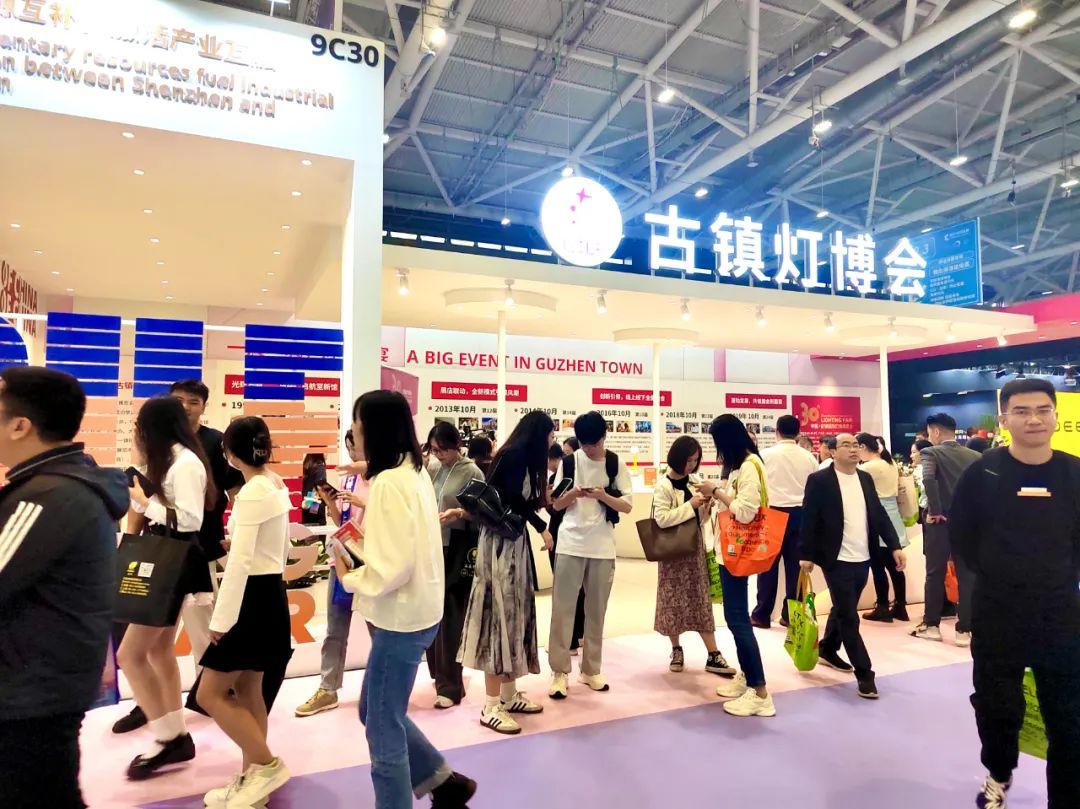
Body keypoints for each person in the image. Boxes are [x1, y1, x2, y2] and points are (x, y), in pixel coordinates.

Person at [334, 391, 476, 808]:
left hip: (401, 617)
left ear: (373, 430)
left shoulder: (391, 483)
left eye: (357, 426)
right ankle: (442, 781)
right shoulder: (412, 472)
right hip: (417, 610)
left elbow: (391, 567)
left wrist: (349, 576)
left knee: (382, 727)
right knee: (376, 712)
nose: (353, 434)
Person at [0, 368, 128, 808]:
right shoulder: (59, 485)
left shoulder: (47, 495)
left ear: (20, 425)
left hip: (30, 692)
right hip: (39, 685)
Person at [950, 379, 1080, 809]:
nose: (1034, 419)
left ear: (1056, 416)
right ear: (1004, 419)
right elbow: (963, 537)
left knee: (1069, 717)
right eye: (1022, 411)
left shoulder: (1075, 472)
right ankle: (999, 772)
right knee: (996, 706)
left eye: (1043, 410)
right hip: (998, 610)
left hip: (1062, 614)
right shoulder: (983, 473)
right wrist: (1001, 573)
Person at [198, 417, 292, 807]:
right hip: (270, 594)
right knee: (250, 688)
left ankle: (265, 766)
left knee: (210, 693)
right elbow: (279, 548)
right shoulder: (274, 484)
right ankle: (255, 786)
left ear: (231, 454)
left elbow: (239, 564)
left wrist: (221, 620)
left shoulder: (253, 492)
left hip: (250, 600)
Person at [120, 396, 215, 779]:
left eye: (139, 426)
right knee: (158, 650)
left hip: (172, 561)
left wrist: (145, 504)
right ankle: (175, 734)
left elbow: (190, 520)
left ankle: (167, 736)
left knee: (130, 654)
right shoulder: (168, 460)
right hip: (164, 558)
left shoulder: (186, 463)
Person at [458, 411, 554, 736]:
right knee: (498, 617)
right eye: (549, 435)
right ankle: (490, 705)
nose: (551, 441)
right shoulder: (514, 457)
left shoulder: (517, 457)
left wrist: (541, 516)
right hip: (500, 547)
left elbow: (519, 502)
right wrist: (541, 525)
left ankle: (508, 696)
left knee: (513, 616)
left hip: (511, 543)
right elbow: (513, 501)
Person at [800, 434, 906, 699]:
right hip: (836, 559)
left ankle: (827, 647)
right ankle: (865, 673)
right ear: (832, 452)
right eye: (846, 445)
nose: (853, 449)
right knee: (849, 615)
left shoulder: (865, 478)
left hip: (864, 557)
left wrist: (894, 545)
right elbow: (809, 518)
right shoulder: (820, 480)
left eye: (856, 445)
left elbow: (879, 515)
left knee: (842, 607)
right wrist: (806, 554)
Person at [548, 412, 633, 698]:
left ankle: (591, 669)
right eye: (584, 445)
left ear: (604, 437)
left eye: (594, 444)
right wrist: (573, 494)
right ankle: (559, 672)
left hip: (602, 547)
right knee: (562, 610)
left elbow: (627, 506)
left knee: (596, 611)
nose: (589, 450)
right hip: (570, 543)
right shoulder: (569, 462)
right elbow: (555, 504)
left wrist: (602, 496)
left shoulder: (615, 463)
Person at [698, 415, 775, 718]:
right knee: (735, 618)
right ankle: (748, 676)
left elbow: (745, 512)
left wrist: (716, 492)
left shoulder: (749, 466)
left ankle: (759, 690)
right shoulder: (740, 466)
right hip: (729, 551)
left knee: (738, 620)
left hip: (737, 551)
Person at [295, 430, 368, 718]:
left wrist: (364, 503)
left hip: (371, 563)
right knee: (335, 630)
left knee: (380, 630)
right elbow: (342, 521)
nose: (353, 455)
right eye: (349, 449)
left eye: (356, 448)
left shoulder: (384, 480)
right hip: (342, 561)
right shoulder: (348, 479)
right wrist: (329, 503)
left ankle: (382, 687)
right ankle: (328, 688)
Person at [652, 436, 736, 677]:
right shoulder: (663, 485)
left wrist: (706, 507)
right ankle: (676, 649)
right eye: (688, 460)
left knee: (700, 600)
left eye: (695, 460)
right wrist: (690, 505)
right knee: (672, 601)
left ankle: (713, 653)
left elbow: (701, 520)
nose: (692, 465)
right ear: (677, 458)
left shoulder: (696, 482)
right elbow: (661, 519)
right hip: (671, 553)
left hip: (694, 549)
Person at [426, 422, 485, 709]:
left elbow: (482, 511)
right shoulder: (433, 468)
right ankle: (438, 674)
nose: (438, 455)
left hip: (457, 548)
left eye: (442, 450)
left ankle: (450, 686)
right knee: (431, 612)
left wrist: (459, 513)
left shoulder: (471, 471)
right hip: (432, 547)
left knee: (451, 614)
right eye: (433, 449)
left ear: (456, 446)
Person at [912, 412, 981, 646]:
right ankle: (964, 630)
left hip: (939, 524)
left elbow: (928, 480)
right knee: (967, 575)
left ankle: (932, 626)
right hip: (967, 524)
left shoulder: (930, 452)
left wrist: (934, 510)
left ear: (936, 432)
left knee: (935, 573)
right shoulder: (974, 456)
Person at [753, 415, 817, 629]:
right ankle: (791, 616)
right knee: (796, 568)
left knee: (767, 567)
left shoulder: (765, 455)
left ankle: (762, 615)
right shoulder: (809, 457)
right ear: (798, 433)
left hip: (772, 513)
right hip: (801, 514)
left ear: (777, 431)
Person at [855, 433, 910, 624]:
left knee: (878, 566)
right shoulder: (890, 463)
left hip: (877, 517)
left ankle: (883, 606)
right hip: (892, 516)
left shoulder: (867, 467)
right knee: (896, 567)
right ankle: (900, 606)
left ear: (863, 447)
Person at [546, 443, 586, 655]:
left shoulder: (557, 480)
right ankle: (578, 635)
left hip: (562, 535)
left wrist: (549, 499)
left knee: (566, 591)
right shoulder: (561, 479)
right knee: (579, 590)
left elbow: (554, 509)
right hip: (575, 536)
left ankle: (570, 639)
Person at [301, 452, 328, 525]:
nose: (327, 453)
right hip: (315, 506)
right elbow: (319, 488)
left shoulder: (306, 467)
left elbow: (309, 490)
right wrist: (330, 505)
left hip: (305, 510)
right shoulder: (319, 467)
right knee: (317, 529)